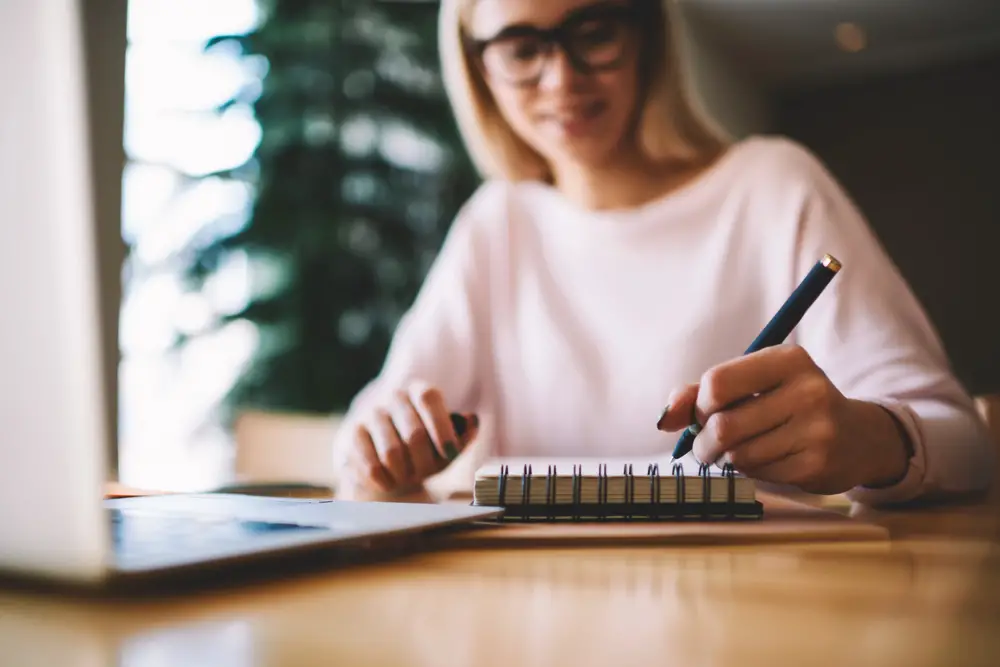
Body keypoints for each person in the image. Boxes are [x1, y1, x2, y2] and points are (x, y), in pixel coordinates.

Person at [331, 0, 994, 505]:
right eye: (520, 46)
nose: (561, 79)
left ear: (644, 34)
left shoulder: (772, 184)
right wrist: (379, 440)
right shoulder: (496, 222)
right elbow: (371, 428)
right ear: (478, 66)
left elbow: (964, 441)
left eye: (593, 32)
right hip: (526, 613)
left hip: (756, 611)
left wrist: (868, 439)